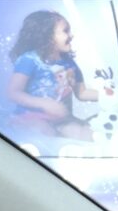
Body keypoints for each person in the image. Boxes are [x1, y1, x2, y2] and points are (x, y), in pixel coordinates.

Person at [7, 10, 99, 141]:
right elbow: (14, 93)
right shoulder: (30, 60)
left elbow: (81, 93)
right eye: (65, 31)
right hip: (30, 117)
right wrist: (45, 104)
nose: (71, 35)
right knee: (43, 133)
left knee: (85, 134)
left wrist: (110, 96)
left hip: (61, 120)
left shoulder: (68, 63)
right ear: (47, 36)